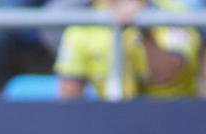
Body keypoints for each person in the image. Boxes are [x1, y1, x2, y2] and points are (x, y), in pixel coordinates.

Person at [55, 0, 200, 99]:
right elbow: (69, 97)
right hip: (111, 126)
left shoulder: (173, 13)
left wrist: (145, 30)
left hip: (174, 123)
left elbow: (165, 75)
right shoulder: (84, 22)